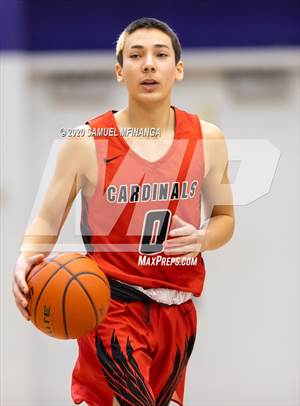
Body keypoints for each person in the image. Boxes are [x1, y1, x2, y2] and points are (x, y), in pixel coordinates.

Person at [12, 17, 235, 406]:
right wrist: (26, 257)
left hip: (178, 312)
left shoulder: (207, 138)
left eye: (160, 54)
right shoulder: (87, 142)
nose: (148, 63)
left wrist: (202, 237)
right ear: (120, 71)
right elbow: (48, 218)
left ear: (177, 69)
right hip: (113, 305)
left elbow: (225, 220)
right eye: (136, 55)